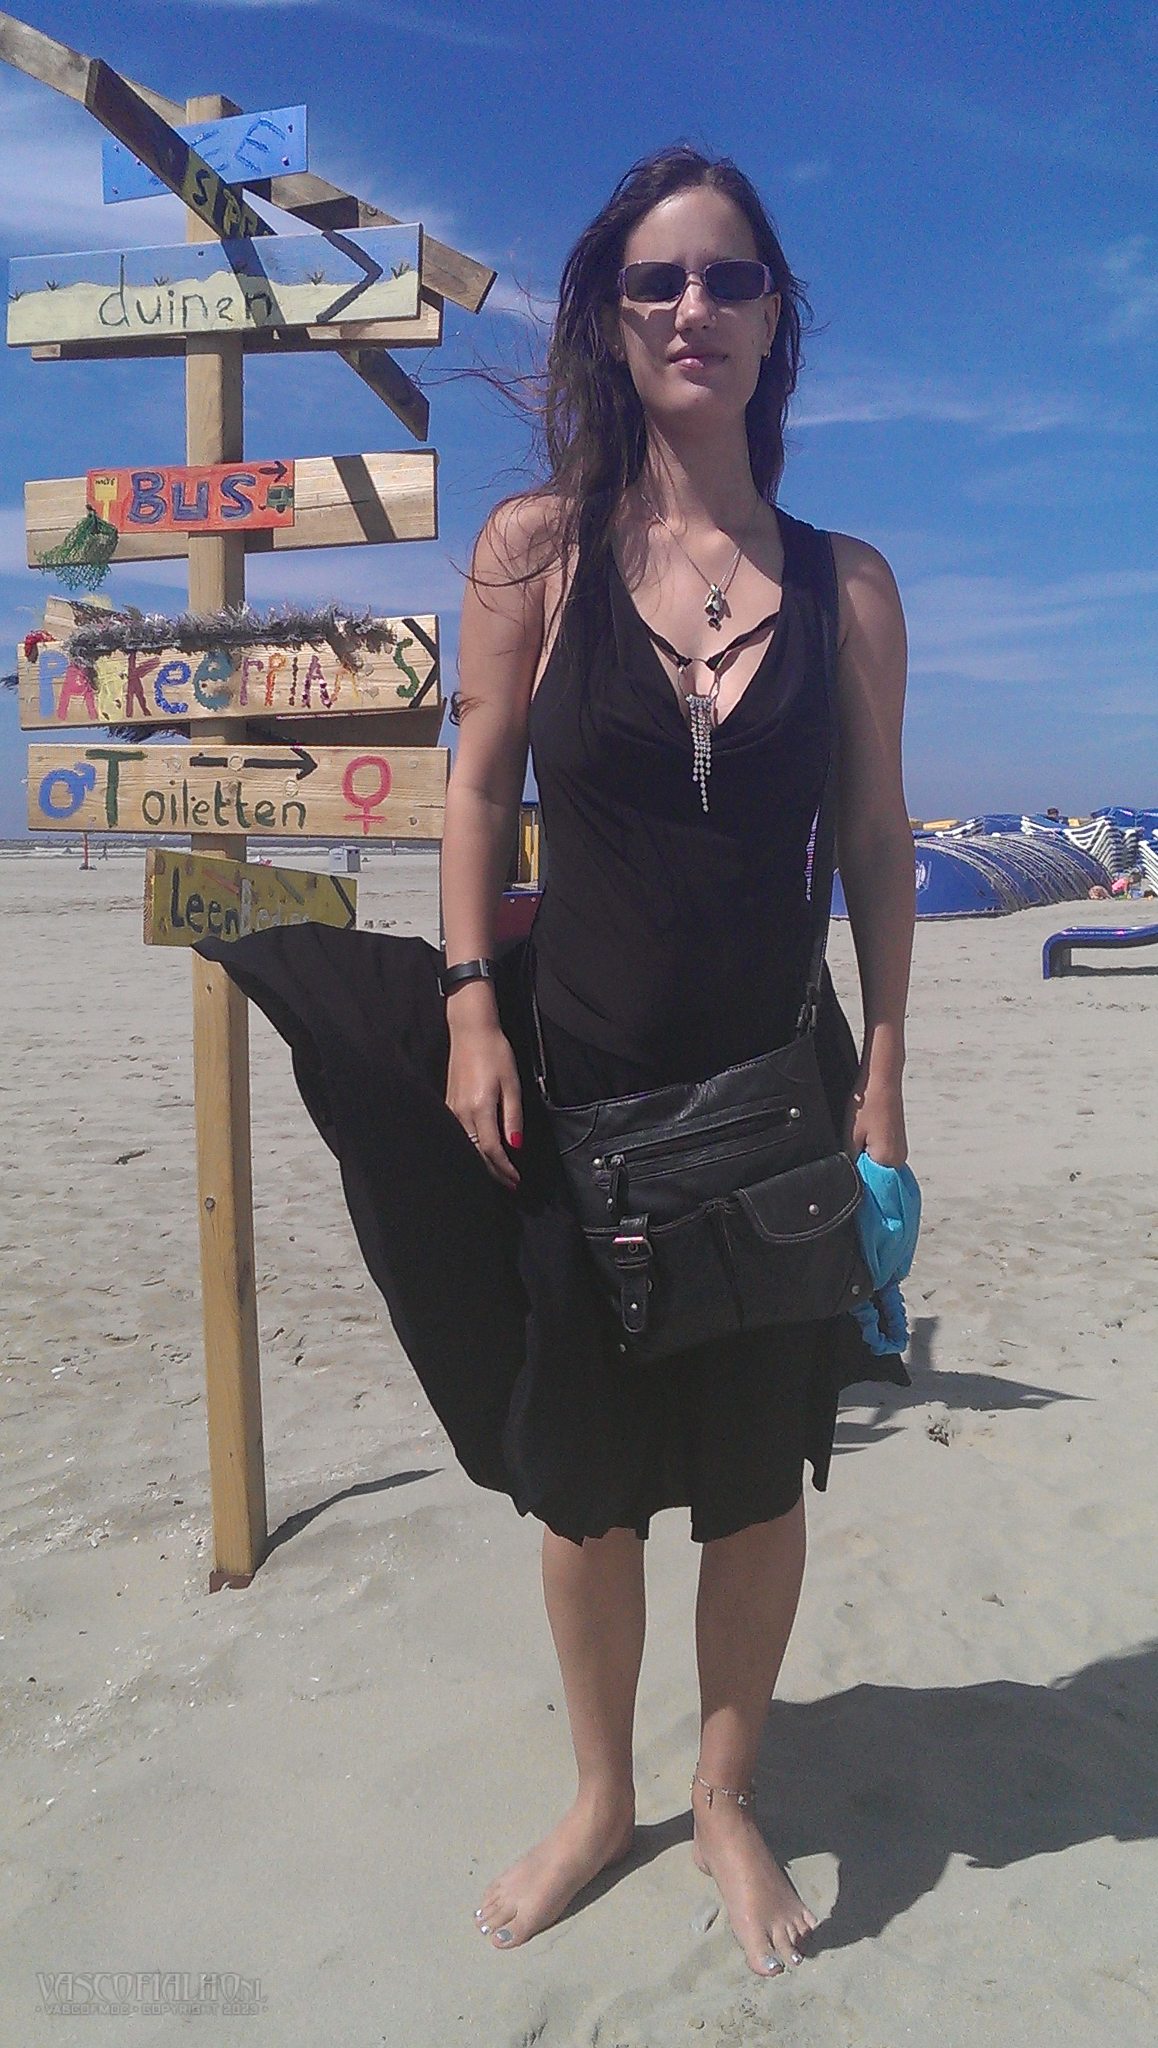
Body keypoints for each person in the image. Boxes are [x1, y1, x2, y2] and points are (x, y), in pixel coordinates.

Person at [199, 144, 915, 1979]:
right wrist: (463, 1008)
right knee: (585, 1488)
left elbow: (876, 840)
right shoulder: (537, 548)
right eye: (655, 280)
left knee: (755, 1479)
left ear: (775, 320)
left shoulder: (845, 586)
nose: (693, 308)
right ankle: (603, 1799)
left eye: (729, 277)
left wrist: (885, 1077)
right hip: (577, 1088)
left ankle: (725, 1798)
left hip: (770, 1101)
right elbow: (472, 790)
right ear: (608, 315)